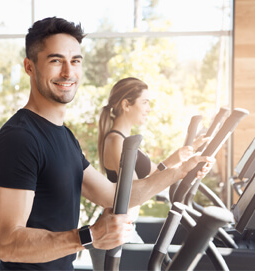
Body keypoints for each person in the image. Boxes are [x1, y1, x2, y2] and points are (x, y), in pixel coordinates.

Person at [0, 17, 214, 270]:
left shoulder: (65, 137)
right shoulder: (19, 139)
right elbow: (7, 244)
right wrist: (89, 236)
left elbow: (113, 196)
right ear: (29, 67)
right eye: (55, 61)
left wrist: (180, 171)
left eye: (75, 61)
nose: (68, 72)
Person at [89, 77, 208, 270]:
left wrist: (182, 155)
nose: (149, 108)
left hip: (124, 231)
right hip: (114, 237)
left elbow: (153, 172)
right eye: (145, 102)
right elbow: (137, 192)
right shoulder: (116, 142)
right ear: (126, 105)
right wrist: (180, 171)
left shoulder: (126, 140)